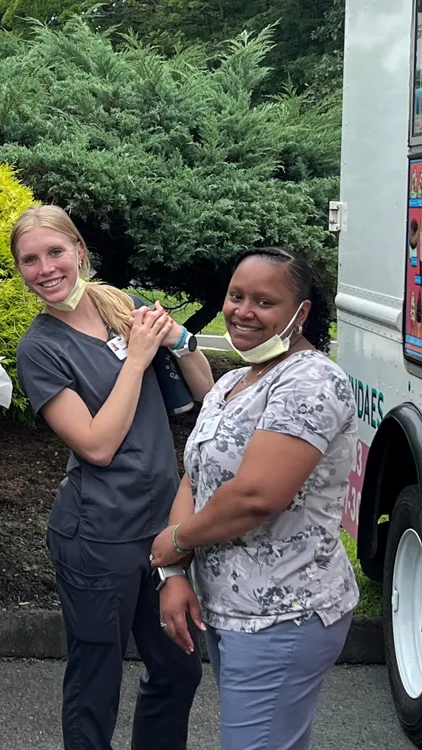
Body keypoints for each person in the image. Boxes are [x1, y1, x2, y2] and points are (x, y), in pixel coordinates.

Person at [11, 205, 214, 750]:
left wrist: (178, 341)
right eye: (29, 260)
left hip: (163, 525)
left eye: (55, 252)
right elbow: (97, 445)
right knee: (96, 681)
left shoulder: (121, 305)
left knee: (179, 667)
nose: (45, 268)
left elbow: (203, 392)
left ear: (79, 251)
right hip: (97, 535)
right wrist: (138, 357)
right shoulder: (40, 348)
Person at [151, 247, 359, 750]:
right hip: (232, 611)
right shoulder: (232, 382)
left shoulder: (311, 380)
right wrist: (175, 573)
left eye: (265, 302)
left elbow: (257, 495)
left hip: (284, 614)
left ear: (300, 313)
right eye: (236, 295)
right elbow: (194, 479)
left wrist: (173, 540)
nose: (243, 311)